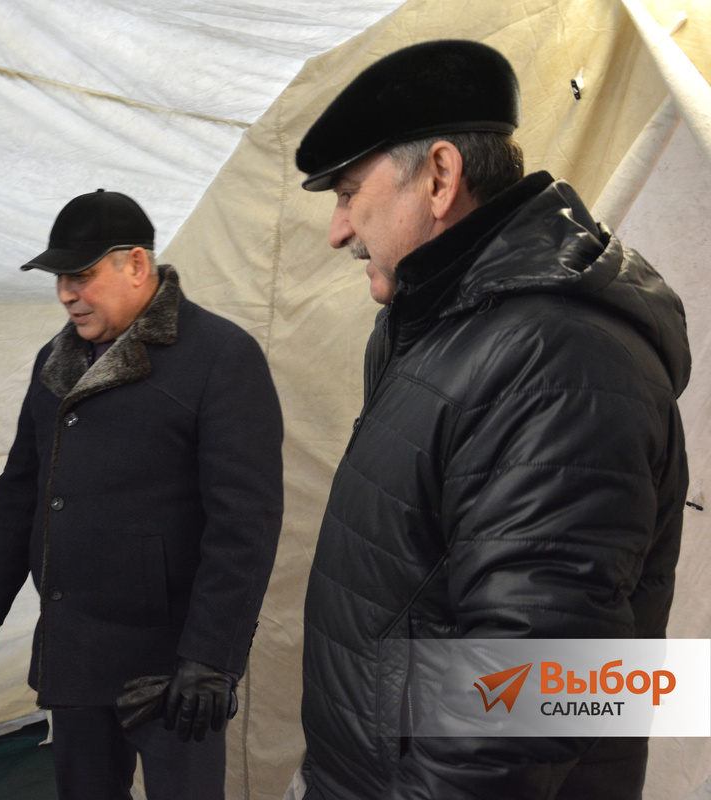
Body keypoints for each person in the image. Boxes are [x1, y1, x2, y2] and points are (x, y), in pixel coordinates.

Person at [293, 40, 690, 799]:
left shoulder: (560, 362)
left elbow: (534, 683)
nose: (338, 230)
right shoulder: (436, 324)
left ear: (440, 177)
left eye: (348, 194)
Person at [0, 189, 284, 800]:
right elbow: (22, 484)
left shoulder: (221, 356)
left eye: (81, 276)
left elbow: (245, 523)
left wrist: (211, 659)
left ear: (136, 265)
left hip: (171, 665)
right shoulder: (55, 359)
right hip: (75, 646)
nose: (66, 294)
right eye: (59, 279)